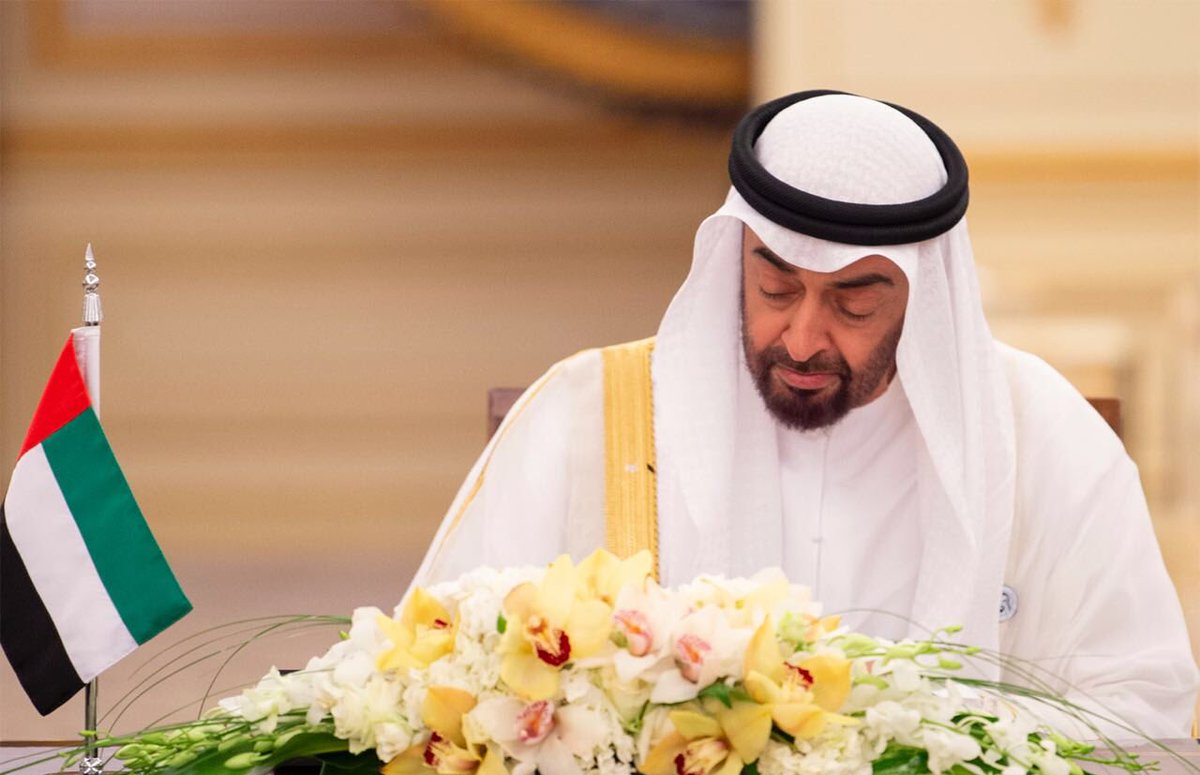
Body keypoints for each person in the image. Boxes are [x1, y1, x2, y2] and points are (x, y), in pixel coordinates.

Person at [408, 91, 1197, 737]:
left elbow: (1143, 701)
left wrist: (913, 739)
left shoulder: (1040, 436)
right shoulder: (589, 417)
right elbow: (442, 674)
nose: (802, 338)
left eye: (854, 302)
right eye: (776, 287)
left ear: (923, 296)